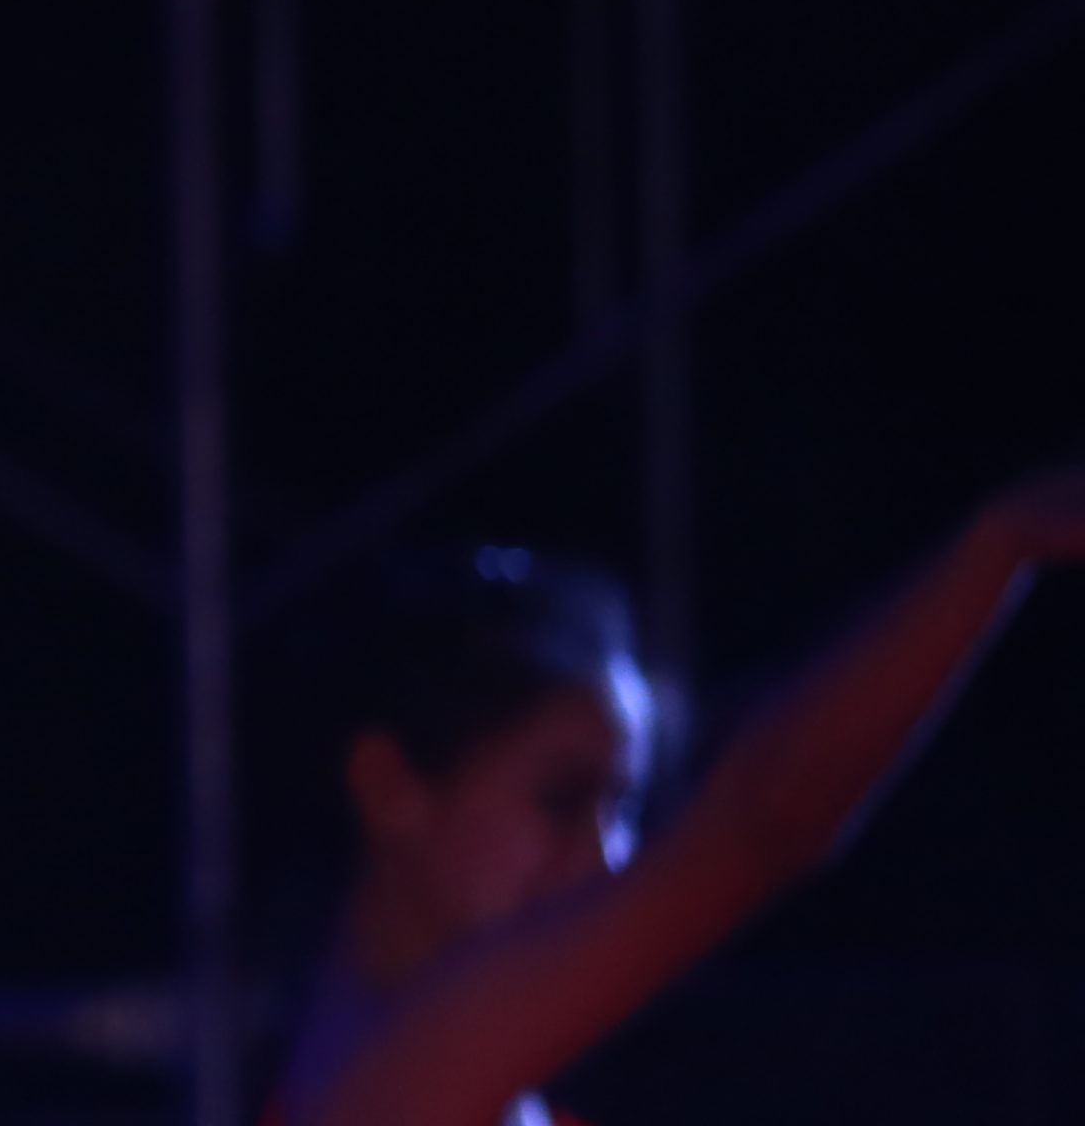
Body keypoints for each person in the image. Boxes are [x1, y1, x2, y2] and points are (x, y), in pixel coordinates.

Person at [278, 468, 1085, 1126]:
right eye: (561, 800)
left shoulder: (410, 1071)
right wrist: (999, 547)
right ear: (389, 787)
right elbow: (768, 822)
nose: (607, 857)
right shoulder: (396, 1075)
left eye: (625, 809)